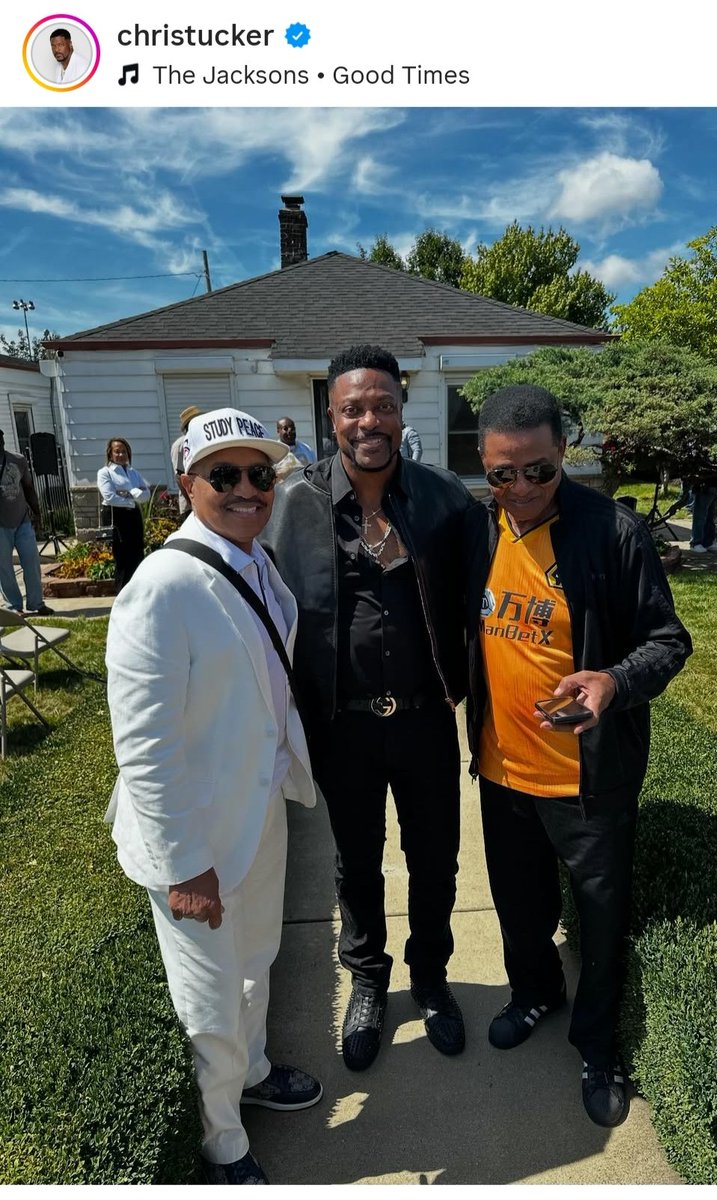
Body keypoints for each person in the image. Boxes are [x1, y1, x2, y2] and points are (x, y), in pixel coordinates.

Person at [464, 385, 692, 1128]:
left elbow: (669, 641)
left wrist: (613, 680)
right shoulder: (479, 530)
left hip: (588, 784)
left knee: (599, 923)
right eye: (504, 473)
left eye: (538, 471)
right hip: (503, 774)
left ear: (563, 454)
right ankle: (533, 992)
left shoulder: (613, 533)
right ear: (483, 466)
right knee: (519, 908)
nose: (521, 488)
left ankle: (599, 1047)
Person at [105, 408, 322, 1186]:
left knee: (259, 959)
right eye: (223, 475)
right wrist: (184, 864)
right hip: (195, 840)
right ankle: (223, 1145)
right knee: (209, 998)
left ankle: (257, 1073)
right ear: (185, 486)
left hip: (256, 810)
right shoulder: (162, 585)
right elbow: (143, 746)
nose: (245, 488)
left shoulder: (255, 561)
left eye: (259, 474)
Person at [265, 344, 475, 1071]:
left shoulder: (445, 500)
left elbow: (486, 601)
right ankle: (368, 982)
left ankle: (432, 978)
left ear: (401, 408)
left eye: (382, 405)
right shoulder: (294, 506)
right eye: (353, 408)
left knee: (436, 862)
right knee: (356, 866)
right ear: (331, 416)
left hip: (423, 721)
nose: (369, 421)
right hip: (343, 726)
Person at [0, 429, 52, 616]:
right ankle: (14, 606)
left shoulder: (18, 460)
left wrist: (37, 513)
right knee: (4, 568)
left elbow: (29, 487)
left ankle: (36, 603)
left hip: (22, 520)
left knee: (32, 562)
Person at [97, 438, 150, 592]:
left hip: (133, 515)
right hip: (117, 516)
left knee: (137, 552)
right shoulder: (105, 472)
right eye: (117, 451)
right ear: (110, 454)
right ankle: (123, 592)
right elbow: (110, 497)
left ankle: (138, 590)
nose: (121, 454)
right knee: (122, 556)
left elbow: (145, 493)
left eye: (124, 451)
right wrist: (132, 499)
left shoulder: (133, 472)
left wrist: (128, 494)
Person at [170, 406, 203, 515]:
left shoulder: (202, 442)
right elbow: (179, 476)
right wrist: (191, 501)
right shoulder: (180, 445)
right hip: (189, 505)